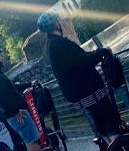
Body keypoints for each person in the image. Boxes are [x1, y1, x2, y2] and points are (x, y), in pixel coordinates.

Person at [37, 12, 121, 142]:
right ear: (55, 24)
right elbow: (82, 61)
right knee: (108, 117)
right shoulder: (59, 44)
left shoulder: (51, 44)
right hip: (87, 88)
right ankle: (119, 148)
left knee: (99, 120)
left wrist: (96, 54)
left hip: (77, 92)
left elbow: (76, 59)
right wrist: (102, 52)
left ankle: (110, 149)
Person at [0, 48, 42, 151]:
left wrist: (29, 84)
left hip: (15, 112)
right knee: (32, 140)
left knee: (29, 139)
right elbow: (2, 98)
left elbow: (11, 88)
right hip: (16, 113)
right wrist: (15, 111)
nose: (2, 58)